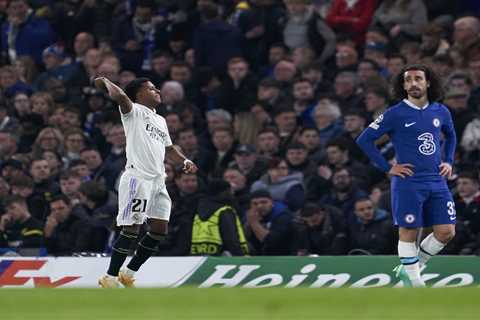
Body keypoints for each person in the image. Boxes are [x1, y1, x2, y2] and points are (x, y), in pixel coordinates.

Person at [356, 64, 456, 287]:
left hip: (437, 180)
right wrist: (387, 167)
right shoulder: (395, 113)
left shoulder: (441, 111)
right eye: (408, 80)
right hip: (408, 182)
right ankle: (414, 282)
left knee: (446, 232)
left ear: (427, 82)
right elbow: (364, 140)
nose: (413, 83)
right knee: (408, 229)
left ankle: (412, 267)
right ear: (403, 86)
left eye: (418, 79)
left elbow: (451, 136)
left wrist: (448, 161)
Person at [94, 76, 198, 288]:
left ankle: (128, 273)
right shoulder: (133, 112)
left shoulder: (160, 120)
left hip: (159, 180)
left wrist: (185, 160)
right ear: (139, 95)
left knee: (160, 229)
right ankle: (110, 277)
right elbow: (121, 96)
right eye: (151, 88)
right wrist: (104, 80)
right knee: (131, 228)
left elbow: (169, 149)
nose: (157, 90)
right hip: (138, 178)